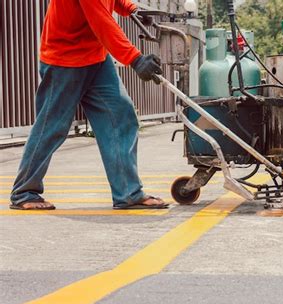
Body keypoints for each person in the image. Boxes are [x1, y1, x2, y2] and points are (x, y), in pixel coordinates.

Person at [10, 0, 168, 210]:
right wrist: (135, 59)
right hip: (64, 59)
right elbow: (102, 22)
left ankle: (128, 193)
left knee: (120, 114)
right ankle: (24, 192)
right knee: (51, 127)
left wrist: (132, 9)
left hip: (95, 58)